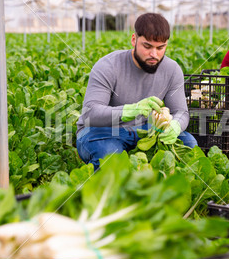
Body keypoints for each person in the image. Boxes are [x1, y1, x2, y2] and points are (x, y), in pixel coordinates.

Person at [76, 13, 197, 170]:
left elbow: (181, 111)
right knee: (110, 156)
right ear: (134, 40)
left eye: (160, 48)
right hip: (101, 130)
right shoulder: (108, 66)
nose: (154, 54)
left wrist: (175, 125)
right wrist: (131, 109)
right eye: (147, 46)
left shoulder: (172, 69)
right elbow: (90, 113)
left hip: (146, 130)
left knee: (189, 144)